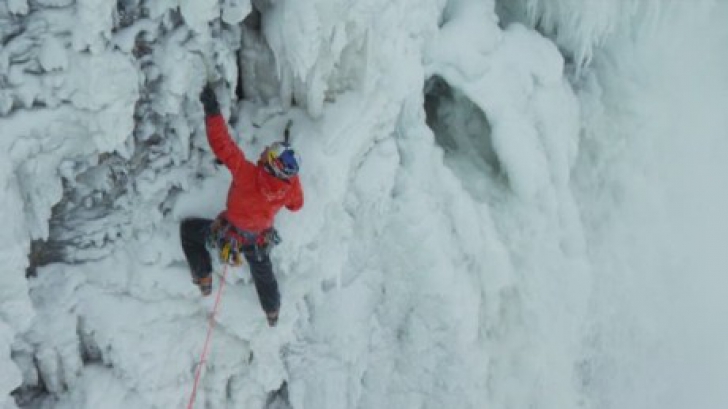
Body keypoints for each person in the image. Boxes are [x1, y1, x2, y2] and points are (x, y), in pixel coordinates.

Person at [180, 84, 304, 327]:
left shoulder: (246, 173)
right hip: (258, 239)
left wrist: (212, 111)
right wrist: (290, 179)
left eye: (272, 152)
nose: (268, 148)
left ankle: (203, 277)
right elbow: (296, 206)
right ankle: (272, 312)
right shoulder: (288, 189)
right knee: (263, 273)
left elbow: (222, 145)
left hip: (230, 234)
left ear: (270, 164)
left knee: (189, 232)